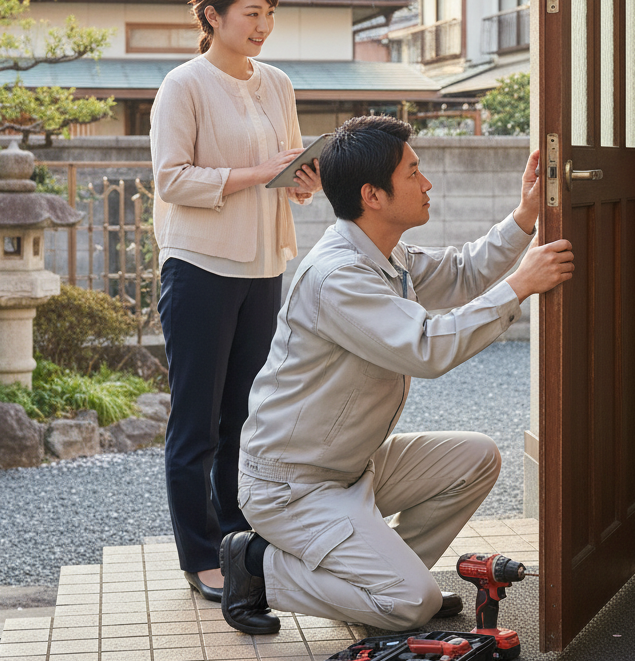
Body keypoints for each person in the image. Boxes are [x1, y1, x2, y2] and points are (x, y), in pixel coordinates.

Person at [218, 114, 573, 634]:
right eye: (413, 173)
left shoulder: (385, 252)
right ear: (373, 196)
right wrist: (519, 286)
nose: (426, 183)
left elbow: (459, 273)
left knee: (477, 457)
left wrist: (524, 218)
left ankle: (383, 585)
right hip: (292, 487)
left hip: (351, 468)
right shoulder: (338, 276)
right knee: (412, 604)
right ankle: (256, 565)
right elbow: (426, 348)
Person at [150, 0, 320, 601]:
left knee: (249, 419)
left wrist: (303, 179)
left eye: (269, 14)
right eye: (253, 13)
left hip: (263, 267)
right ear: (213, 16)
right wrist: (257, 173)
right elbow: (171, 179)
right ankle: (200, 557)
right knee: (197, 425)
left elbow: (289, 171)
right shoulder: (183, 86)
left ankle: (239, 542)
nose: (264, 25)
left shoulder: (277, 84)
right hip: (198, 268)